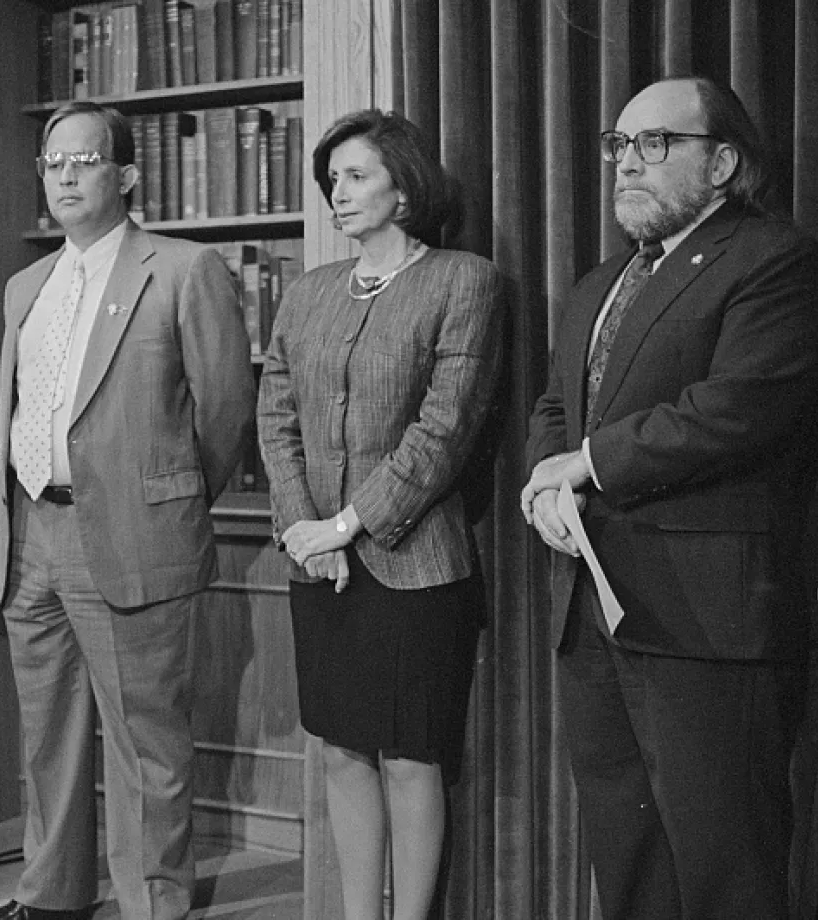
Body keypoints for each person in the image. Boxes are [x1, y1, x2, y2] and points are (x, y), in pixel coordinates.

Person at [520, 76, 818, 920]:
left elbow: (738, 408)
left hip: (707, 620)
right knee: (629, 864)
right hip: (596, 610)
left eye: (654, 144)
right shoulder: (599, 284)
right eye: (618, 145)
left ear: (724, 161)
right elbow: (556, 404)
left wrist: (584, 464)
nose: (627, 163)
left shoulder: (774, 259)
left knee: (727, 871)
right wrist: (545, 482)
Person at [0, 100, 255, 920]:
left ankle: (153, 904)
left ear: (126, 175)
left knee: (146, 743)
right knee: (47, 739)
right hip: (31, 532)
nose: (65, 176)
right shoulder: (25, 284)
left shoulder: (181, 270)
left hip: (137, 535)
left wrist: (166, 498)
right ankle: (51, 897)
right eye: (52, 162)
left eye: (85, 160)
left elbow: (225, 412)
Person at [257, 109, 503, 920]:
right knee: (340, 751)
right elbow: (277, 414)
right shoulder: (309, 291)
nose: (338, 192)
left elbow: (446, 429)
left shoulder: (463, 280)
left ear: (405, 186)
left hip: (412, 564)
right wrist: (305, 528)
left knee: (408, 758)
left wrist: (349, 524)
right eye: (332, 180)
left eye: (356, 175)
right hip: (317, 565)